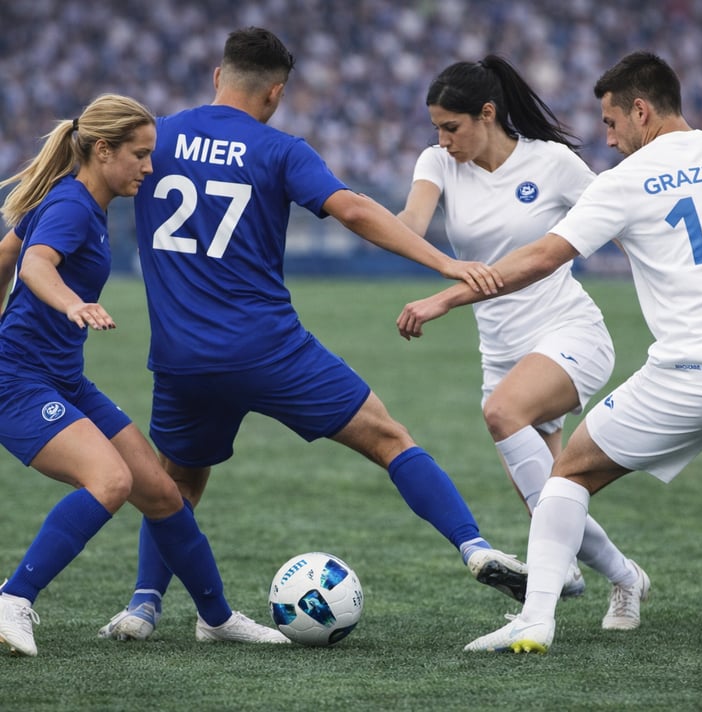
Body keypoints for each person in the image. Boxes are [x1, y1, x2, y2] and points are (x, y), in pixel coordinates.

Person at [98, 27, 526, 642]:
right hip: (269, 348)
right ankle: (474, 546)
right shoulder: (279, 148)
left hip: (182, 356)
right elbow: (352, 209)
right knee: (388, 438)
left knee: (176, 486)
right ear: (275, 93)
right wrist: (445, 263)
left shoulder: (152, 137)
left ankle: (143, 608)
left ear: (218, 76)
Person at [398, 50, 702, 653]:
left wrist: (445, 297)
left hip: (651, 362)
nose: (610, 139)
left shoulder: (609, 178)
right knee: (551, 492)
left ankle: (535, 618)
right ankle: (623, 578)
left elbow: (550, 254)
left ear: (641, 112)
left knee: (565, 475)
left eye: (612, 123)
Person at [0, 94, 288, 657]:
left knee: (160, 491)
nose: (150, 168)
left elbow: (7, 254)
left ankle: (217, 618)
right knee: (110, 482)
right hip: (19, 381)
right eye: (140, 154)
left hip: (63, 377)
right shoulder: (73, 206)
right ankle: (13, 597)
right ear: (103, 151)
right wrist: (69, 304)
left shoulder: (77, 199)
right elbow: (34, 264)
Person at [396, 55, 647, 621]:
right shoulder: (438, 161)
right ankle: (622, 578)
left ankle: (564, 588)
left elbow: (623, 223)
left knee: (502, 413)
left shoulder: (553, 163)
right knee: (559, 496)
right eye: (435, 126)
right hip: (502, 354)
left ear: (487, 113)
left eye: (451, 126)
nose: (442, 138)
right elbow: (409, 224)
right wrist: (350, 210)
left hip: (569, 332)